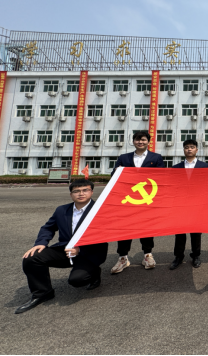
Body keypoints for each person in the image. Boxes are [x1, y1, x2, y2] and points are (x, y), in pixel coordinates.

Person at [16, 180, 108, 314]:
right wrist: (41, 243)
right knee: (32, 257)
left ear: (92, 192)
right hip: (65, 249)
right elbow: (48, 228)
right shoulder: (62, 210)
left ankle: (94, 273)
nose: (81, 193)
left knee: (77, 280)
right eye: (76, 191)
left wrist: (80, 249)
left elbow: (104, 236)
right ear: (71, 194)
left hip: (90, 253)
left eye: (85, 190)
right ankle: (43, 293)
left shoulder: (101, 211)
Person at [110, 131, 165, 274]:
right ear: (133, 141)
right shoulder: (124, 157)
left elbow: (161, 177)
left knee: (146, 227)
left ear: (148, 142)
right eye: (137, 140)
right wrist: (117, 171)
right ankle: (123, 257)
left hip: (147, 199)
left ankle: (148, 255)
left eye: (143, 139)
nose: (140, 142)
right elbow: (113, 176)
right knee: (125, 228)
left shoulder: (156, 157)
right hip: (127, 199)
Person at [170, 139, 208, 270]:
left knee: (196, 232)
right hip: (180, 204)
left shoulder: (205, 167)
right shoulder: (176, 168)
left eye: (192, 147)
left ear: (196, 150)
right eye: (186, 147)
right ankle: (178, 256)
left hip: (197, 204)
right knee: (179, 232)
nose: (189, 149)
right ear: (183, 150)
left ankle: (196, 255)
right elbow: (173, 186)